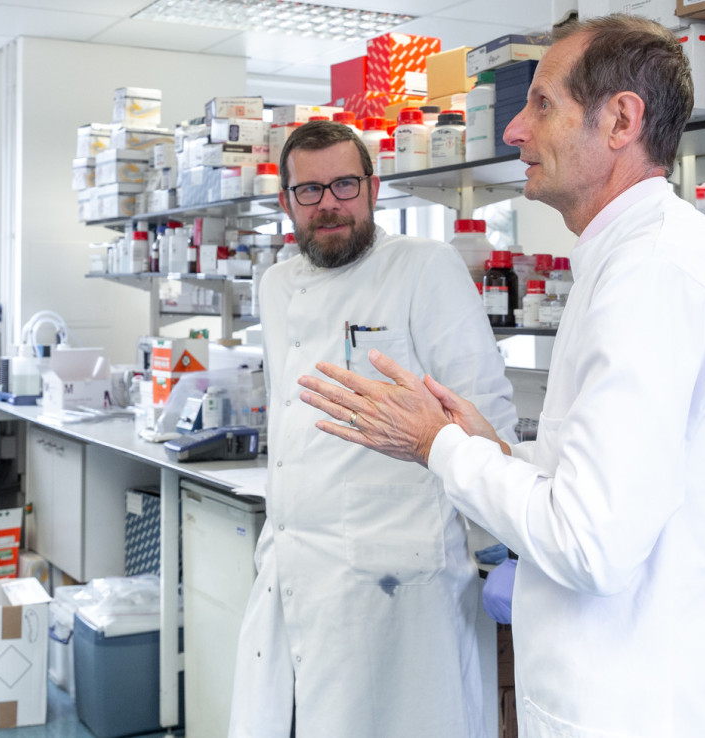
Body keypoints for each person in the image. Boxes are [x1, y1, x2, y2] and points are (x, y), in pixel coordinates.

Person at [296, 16, 705, 736]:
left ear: (621, 119)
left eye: (542, 103)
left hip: (644, 710)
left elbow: (588, 541)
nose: (515, 129)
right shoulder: (622, 264)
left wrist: (442, 448)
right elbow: (594, 484)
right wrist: (493, 450)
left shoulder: (652, 277)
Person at [229, 119, 519, 737]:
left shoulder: (425, 267)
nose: (328, 203)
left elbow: (483, 414)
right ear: (287, 202)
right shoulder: (276, 286)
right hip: (292, 563)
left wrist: (504, 541)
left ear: (373, 188)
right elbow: (290, 422)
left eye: (343, 184)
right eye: (309, 191)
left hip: (397, 577)